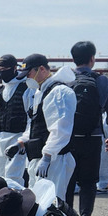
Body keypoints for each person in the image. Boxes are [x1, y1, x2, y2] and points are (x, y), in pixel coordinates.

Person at [62, 41, 108, 216]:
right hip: (93, 138)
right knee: (88, 183)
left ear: (73, 59)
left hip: (69, 139)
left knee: (68, 184)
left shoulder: (66, 80)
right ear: (92, 59)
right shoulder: (101, 81)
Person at [21, 53, 77, 199]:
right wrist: (21, 142)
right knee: (37, 201)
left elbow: (61, 128)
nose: (28, 78)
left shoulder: (59, 92)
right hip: (39, 156)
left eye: (29, 74)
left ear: (42, 69)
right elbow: (36, 123)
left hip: (55, 159)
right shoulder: (40, 91)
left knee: (52, 202)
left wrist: (47, 156)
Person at [0, 55, 33, 185]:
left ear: (15, 68)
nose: (3, 71)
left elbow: (31, 119)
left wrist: (23, 141)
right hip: (0, 137)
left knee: (13, 178)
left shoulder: (26, 88)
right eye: (0, 68)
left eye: (6, 68)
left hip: (17, 137)